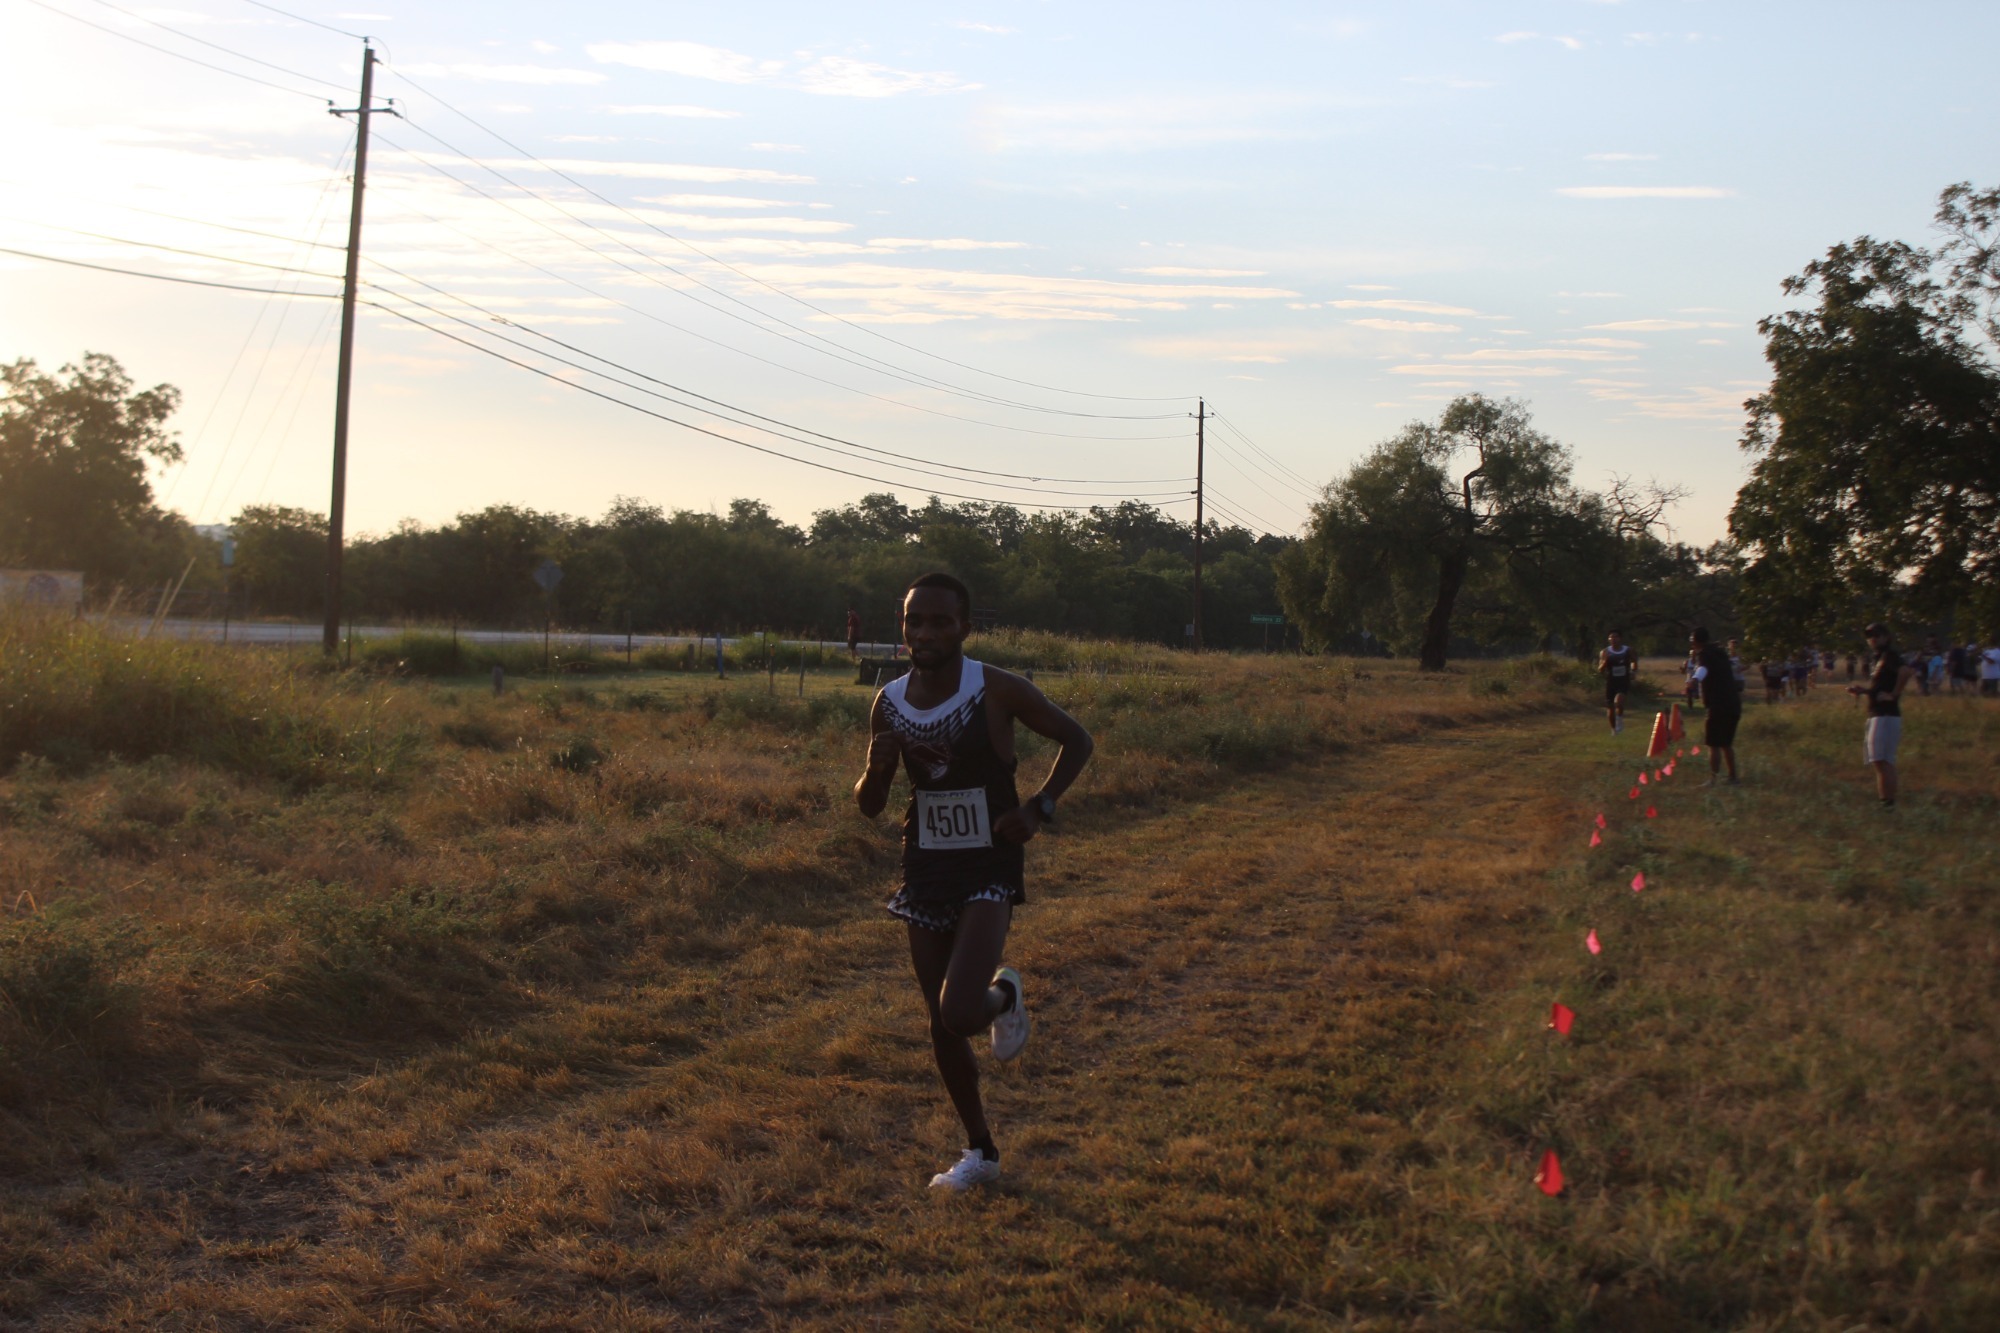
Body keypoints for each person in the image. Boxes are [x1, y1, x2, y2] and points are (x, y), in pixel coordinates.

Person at [854, 573, 1094, 1193]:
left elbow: (1077, 739)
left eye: (940, 621)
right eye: (914, 621)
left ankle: (1004, 996)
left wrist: (1039, 806)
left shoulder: (996, 689)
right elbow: (871, 806)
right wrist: (875, 773)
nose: (925, 633)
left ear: (964, 627)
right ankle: (980, 1150)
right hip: (925, 864)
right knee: (940, 1023)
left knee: (960, 1011)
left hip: (989, 862)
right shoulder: (888, 702)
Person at [1847, 622, 1917, 809]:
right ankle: (1885, 802)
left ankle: (1888, 804)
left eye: (1877, 635)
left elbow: (1906, 671)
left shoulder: (1890, 655)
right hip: (1877, 713)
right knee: (1879, 760)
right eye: (1870, 636)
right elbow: (1880, 688)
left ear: (1886, 637)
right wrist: (1864, 691)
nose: (1873, 639)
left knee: (1883, 760)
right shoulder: (1878, 658)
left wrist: (1894, 695)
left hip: (1886, 714)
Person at [1691, 627, 1741, 784]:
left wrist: (1694, 680)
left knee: (1713, 744)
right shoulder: (1720, 653)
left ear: (1696, 641)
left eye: (1692, 640)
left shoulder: (1705, 654)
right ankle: (1733, 777)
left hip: (1718, 705)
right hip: (1733, 703)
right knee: (1726, 744)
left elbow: (1702, 669)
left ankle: (1713, 779)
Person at [1597, 630, 1638, 733]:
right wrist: (1604, 663)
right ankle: (1614, 730)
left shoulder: (1628, 650)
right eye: (1611, 637)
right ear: (1608, 639)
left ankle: (1619, 720)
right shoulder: (1605, 652)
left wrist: (1633, 671)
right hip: (1611, 681)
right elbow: (1600, 669)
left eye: (1616, 637)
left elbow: (1634, 661)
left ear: (1620, 639)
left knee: (1618, 702)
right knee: (1610, 707)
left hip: (1623, 680)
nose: (1614, 639)